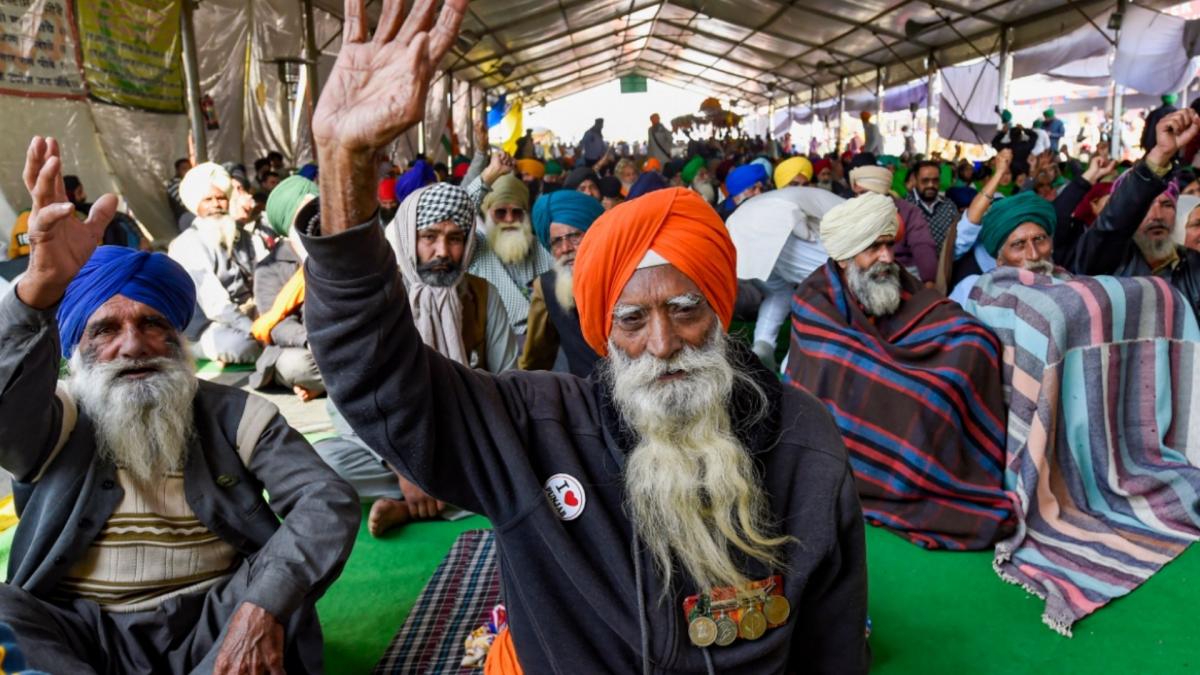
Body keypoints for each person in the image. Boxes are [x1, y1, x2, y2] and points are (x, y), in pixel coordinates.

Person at [302, 4, 871, 669]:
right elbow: (381, 382)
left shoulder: (803, 444)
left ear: (719, 312)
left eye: (685, 310)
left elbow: (833, 650)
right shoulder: (538, 428)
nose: (662, 343)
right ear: (603, 331)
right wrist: (344, 162)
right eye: (632, 320)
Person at [0, 137, 359, 674]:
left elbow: (325, 500)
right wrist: (37, 289)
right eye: (106, 330)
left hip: (217, 622)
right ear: (76, 348)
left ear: (177, 337)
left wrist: (260, 609)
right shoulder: (57, 419)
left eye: (152, 323)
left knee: (278, 596)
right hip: (84, 636)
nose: (133, 344)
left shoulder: (237, 416)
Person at [786, 192, 1014, 550]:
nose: (888, 257)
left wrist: (971, 337)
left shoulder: (891, 275)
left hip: (900, 358)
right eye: (873, 248)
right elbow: (836, 362)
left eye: (889, 244)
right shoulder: (812, 298)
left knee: (976, 343)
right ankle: (915, 476)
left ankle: (954, 468)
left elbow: (932, 309)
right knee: (919, 395)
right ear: (844, 258)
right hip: (862, 400)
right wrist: (901, 372)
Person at [321, 181, 517, 536]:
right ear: (407, 238)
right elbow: (346, 401)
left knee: (521, 450)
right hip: (390, 444)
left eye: (455, 239)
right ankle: (442, 494)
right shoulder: (378, 298)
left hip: (465, 439)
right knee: (326, 463)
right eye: (429, 237)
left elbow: (508, 384)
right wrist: (401, 465)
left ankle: (411, 506)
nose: (443, 251)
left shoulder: (483, 296)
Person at [1068, 109, 1200, 321]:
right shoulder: (1105, 261)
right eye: (1147, 205)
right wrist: (1160, 154)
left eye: (1167, 205)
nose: (1157, 215)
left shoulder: (1194, 264)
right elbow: (1112, 225)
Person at [725, 186, 840, 369]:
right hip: (777, 228)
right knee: (835, 284)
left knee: (779, 294)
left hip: (740, 237)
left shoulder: (787, 194)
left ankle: (763, 345)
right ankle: (792, 367)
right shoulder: (856, 209)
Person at [169, 163, 262, 364]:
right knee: (245, 345)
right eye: (208, 200)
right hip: (208, 327)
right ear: (196, 205)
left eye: (221, 198)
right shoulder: (187, 243)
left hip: (249, 316)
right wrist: (254, 329)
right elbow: (215, 305)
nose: (216, 205)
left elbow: (263, 277)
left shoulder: (243, 236)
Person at [249, 175, 325, 401]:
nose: (312, 221)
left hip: (347, 341)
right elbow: (276, 324)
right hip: (305, 348)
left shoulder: (338, 250)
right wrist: (310, 341)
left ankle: (328, 384)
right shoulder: (269, 267)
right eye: (303, 215)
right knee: (295, 365)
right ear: (288, 223)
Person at [520, 190, 605, 377]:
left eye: (574, 236)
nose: (565, 248)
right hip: (587, 391)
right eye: (557, 241)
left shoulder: (624, 277)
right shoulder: (546, 286)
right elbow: (535, 358)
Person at [469, 174, 554, 336]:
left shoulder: (540, 247)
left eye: (517, 212)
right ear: (487, 214)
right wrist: (489, 173)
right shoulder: (476, 248)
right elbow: (456, 217)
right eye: (500, 212)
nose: (509, 219)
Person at [847, 165, 937, 283]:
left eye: (863, 193)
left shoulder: (907, 211)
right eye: (856, 194)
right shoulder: (851, 210)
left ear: (880, 192)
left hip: (901, 269)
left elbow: (922, 246)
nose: (858, 198)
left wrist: (929, 281)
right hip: (862, 269)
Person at [906, 160, 960, 252]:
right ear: (915, 180)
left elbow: (958, 236)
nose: (931, 185)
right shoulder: (905, 207)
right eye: (925, 181)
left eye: (935, 180)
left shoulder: (949, 206)